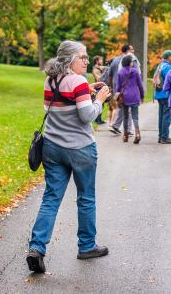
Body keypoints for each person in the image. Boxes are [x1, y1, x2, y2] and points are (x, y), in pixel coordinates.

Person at [27, 40, 110, 273]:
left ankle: (37, 248)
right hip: (80, 149)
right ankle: (86, 246)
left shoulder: (51, 79)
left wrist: (87, 91)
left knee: (51, 198)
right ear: (69, 60)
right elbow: (87, 116)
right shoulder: (78, 81)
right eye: (82, 57)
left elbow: (56, 106)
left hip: (52, 147)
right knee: (85, 198)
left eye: (86, 57)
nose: (86, 60)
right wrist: (99, 99)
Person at [107, 44, 141, 135]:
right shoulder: (131, 60)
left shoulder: (115, 60)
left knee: (121, 108)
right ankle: (128, 130)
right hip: (127, 89)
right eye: (132, 49)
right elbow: (136, 75)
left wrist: (111, 87)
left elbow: (109, 75)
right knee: (127, 110)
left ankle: (116, 126)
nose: (133, 51)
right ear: (127, 50)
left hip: (117, 88)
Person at [115, 54, 145, 143]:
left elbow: (118, 87)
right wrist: (142, 96)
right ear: (129, 63)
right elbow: (140, 85)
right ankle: (137, 134)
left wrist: (117, 97)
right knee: (135, 117)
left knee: (125, 116)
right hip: (135, 96)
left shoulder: (120, 72)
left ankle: (125, 136)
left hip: (124, 97)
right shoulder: (135, 71)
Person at [153, 50, 171, 144]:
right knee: (167, 116)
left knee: (161, 116)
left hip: (158, 94)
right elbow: (169, 80)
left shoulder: (160, 66)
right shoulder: (168, 67)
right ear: (169, 57)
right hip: (165, 94)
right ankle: (165, 137)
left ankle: (161, 136)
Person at [91, 56, 107, 125]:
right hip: (97, 89)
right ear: (97, 61)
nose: (102, 61)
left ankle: (99, 119)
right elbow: (98, 79)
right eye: (100, 60)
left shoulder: (100, 68)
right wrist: (105, 73)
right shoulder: (94, 69)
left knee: (102, 104)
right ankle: (97, 120)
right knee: (99, 103)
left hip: (101, 87)